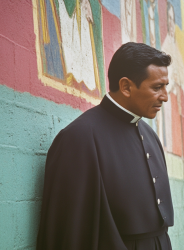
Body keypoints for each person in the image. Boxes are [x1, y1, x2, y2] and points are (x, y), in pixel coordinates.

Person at [37, 43, 174, 250]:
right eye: (157, 87)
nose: (164, 96)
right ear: (126, 86)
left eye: (165, 87)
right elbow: (71, 231)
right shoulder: (79, 137)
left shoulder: (150, 135)